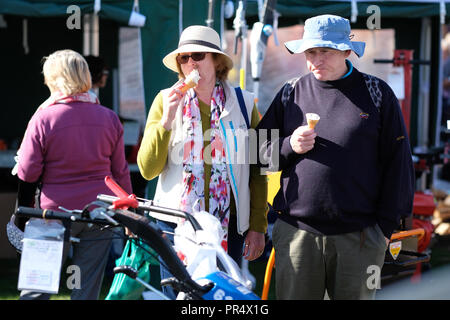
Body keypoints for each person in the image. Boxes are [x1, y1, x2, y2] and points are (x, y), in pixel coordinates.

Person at [256, 15, 415, 300]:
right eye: (311, 52)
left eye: (325, 51)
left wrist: (384, 229)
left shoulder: (377, 93)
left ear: (346, 51)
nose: (316, 59)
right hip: (297, 234)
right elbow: (255, 154)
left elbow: (399, 163)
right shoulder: (290, 93)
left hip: (361, 236)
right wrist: (289, 145)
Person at [137, 25, 268, 298]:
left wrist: (257, 226)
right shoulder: (164, 100)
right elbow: (147, 170)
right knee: (179, 297)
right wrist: (167, 120)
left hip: (226, 225)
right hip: (175, 223)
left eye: (197, 55)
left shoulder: (244, 103)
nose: (189, 63)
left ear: (216, 61)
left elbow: (258, 171)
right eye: (183, 58)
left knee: (217, 297)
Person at [16, 49, 132, 300]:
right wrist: (130, 213)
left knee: (36, 289)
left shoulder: (43, 118)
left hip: (51, 215)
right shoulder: (110, 118)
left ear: (54, 79)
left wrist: (21, 213)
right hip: (99, 213)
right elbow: (120, 173)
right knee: (86, 290)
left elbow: (27, 171)